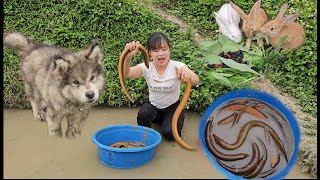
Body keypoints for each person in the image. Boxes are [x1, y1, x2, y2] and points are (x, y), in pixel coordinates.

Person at [122, 32, 200, 141]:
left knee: (170, 135)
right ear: (149, 53)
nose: (160, 54)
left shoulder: (177, 66)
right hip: (154, 107)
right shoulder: (146, 67)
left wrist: (188, 74)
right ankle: (148, 136)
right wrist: (128, 57)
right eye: (156, 50)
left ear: (169, 50)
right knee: (144, 113)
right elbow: (127, 73)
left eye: (164, 49)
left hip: (172, 108)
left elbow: (196, 80)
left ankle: (175, 119)